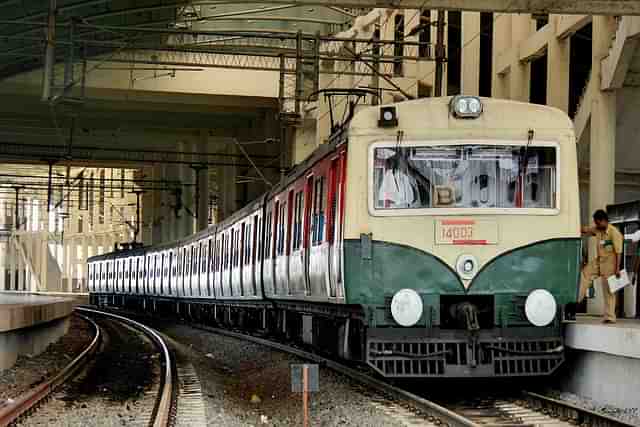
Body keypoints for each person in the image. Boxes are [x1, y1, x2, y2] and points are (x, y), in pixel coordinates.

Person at [578, 209, 623, 323]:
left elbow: (618, 252)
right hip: (599, 262)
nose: (596, 225)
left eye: (598, 222)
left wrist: (617, 269)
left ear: (604, 221)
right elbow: (586, 230)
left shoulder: (614, 233)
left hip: (610, 264)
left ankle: (610, 317)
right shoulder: (598, 229)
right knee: (585, 273)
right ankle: (577, 300)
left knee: (609, 290)